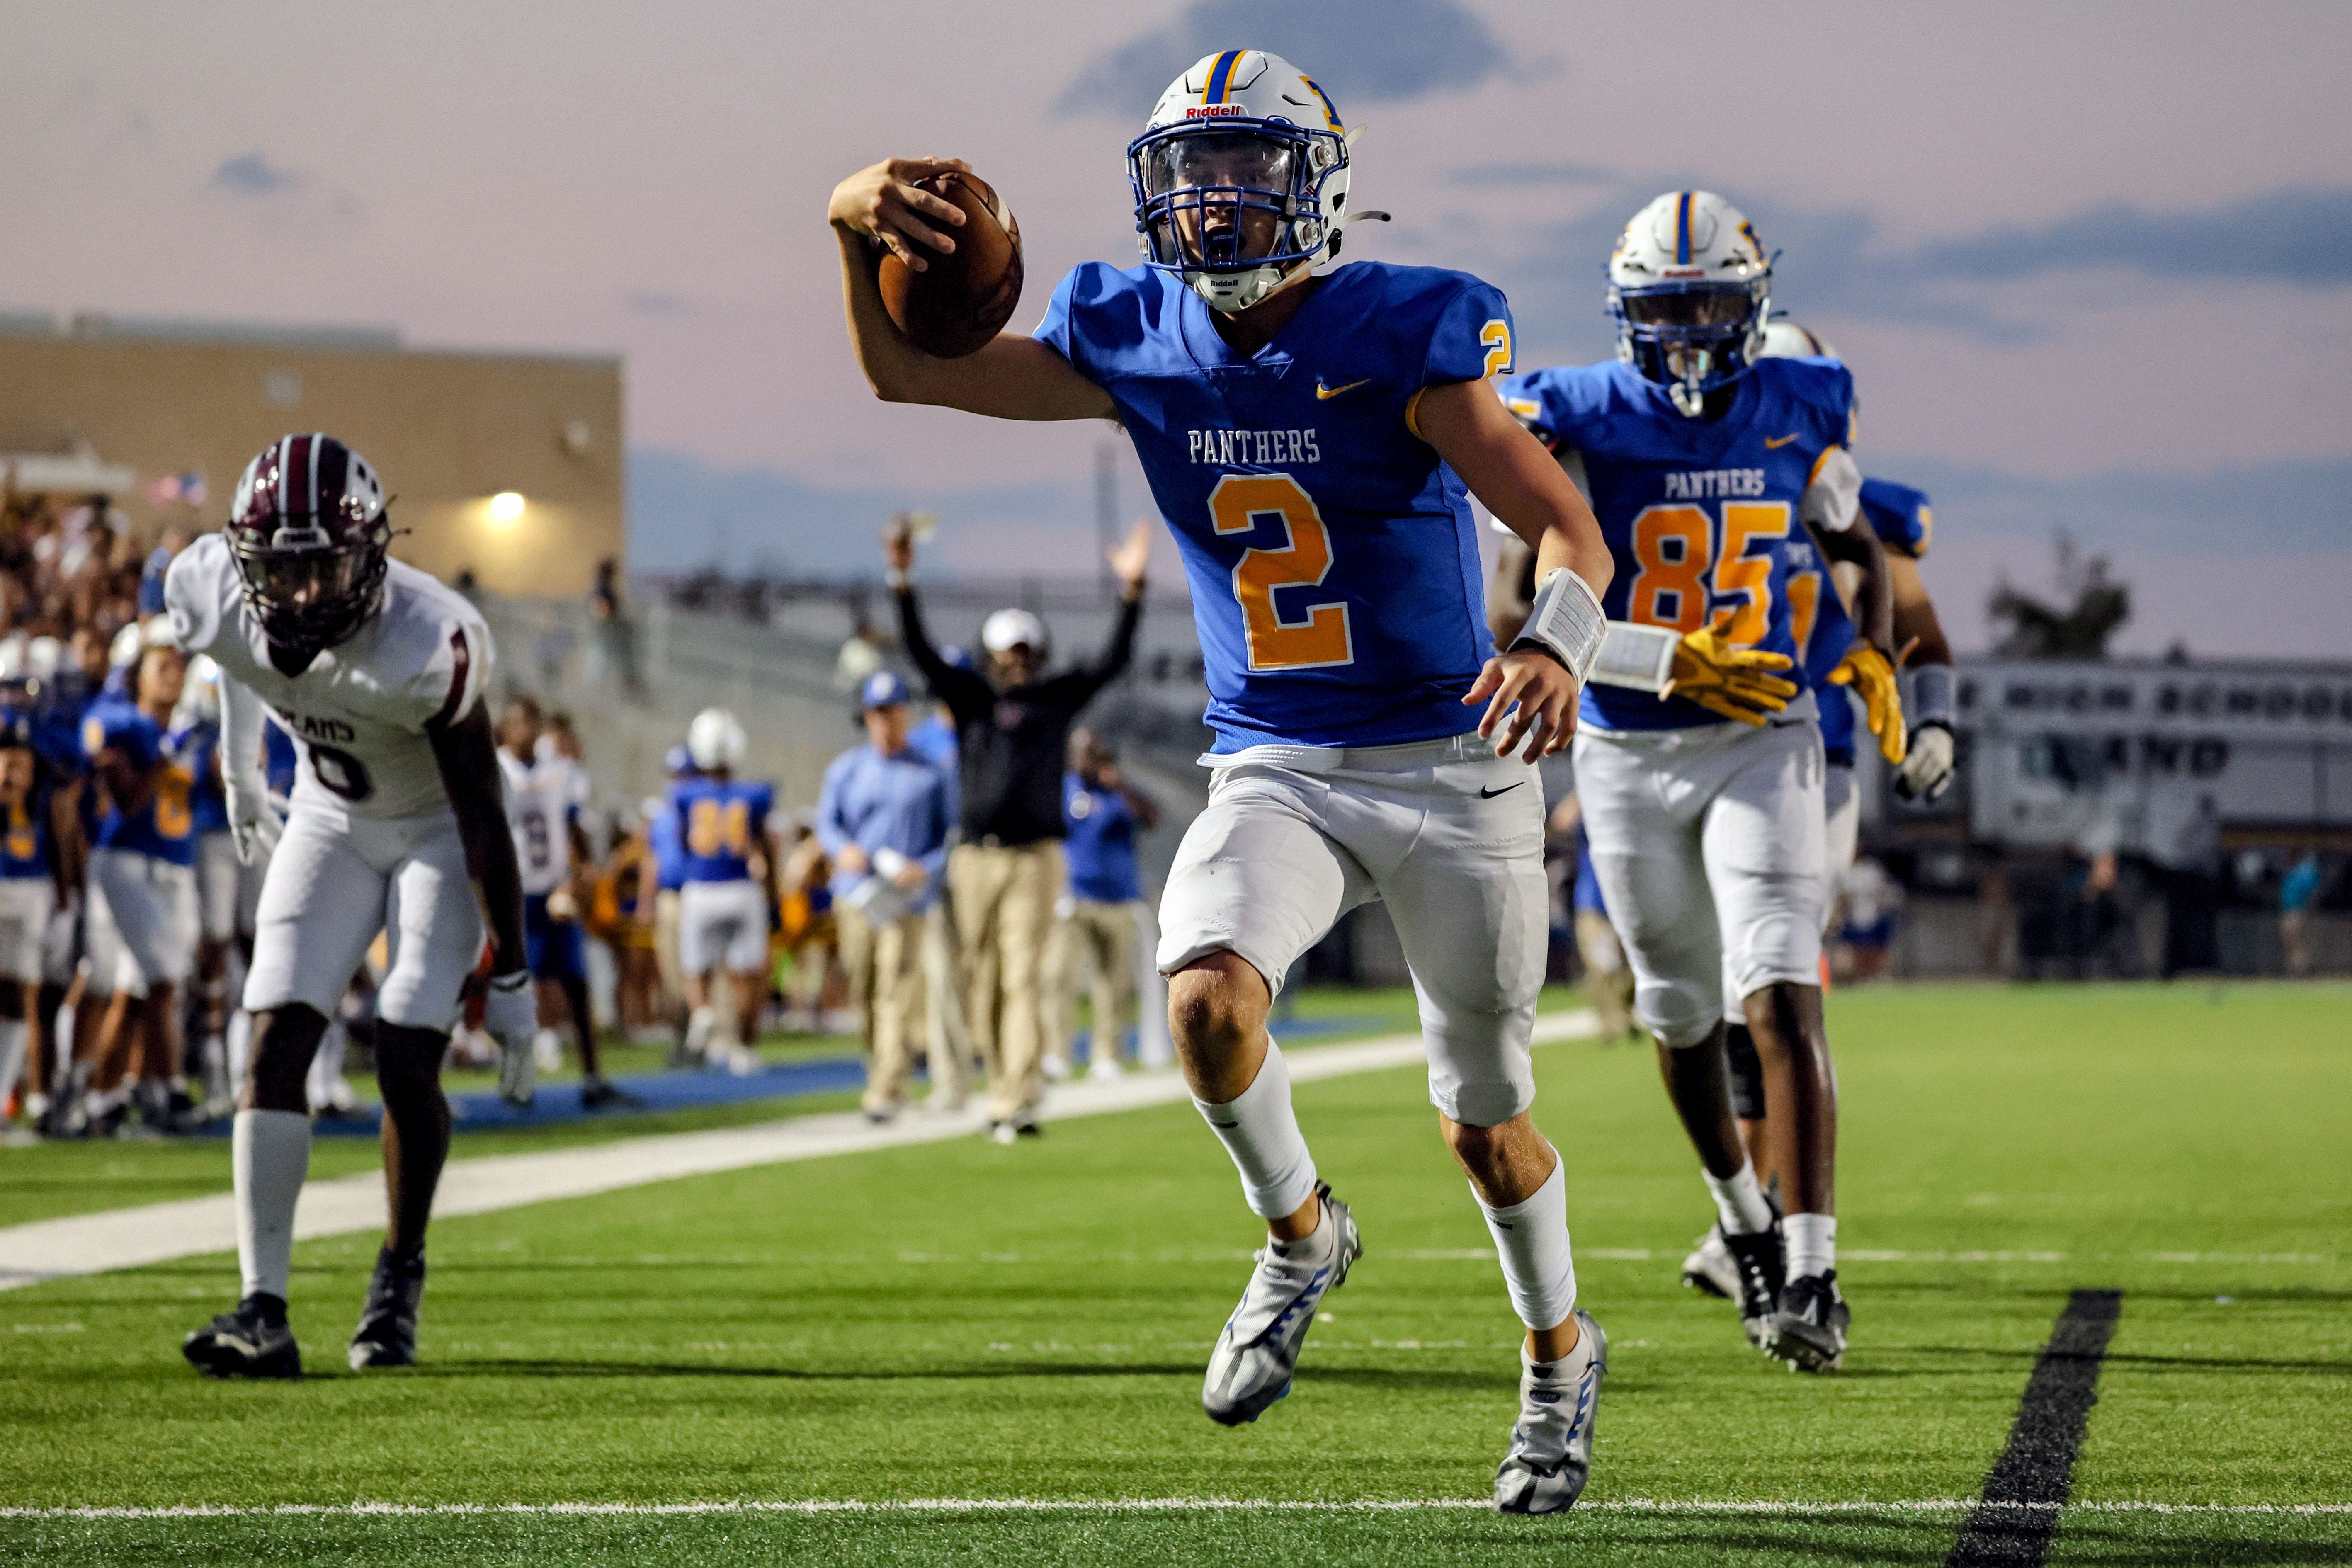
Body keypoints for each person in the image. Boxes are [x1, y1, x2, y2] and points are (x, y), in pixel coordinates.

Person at [831, 48, 1616, 1511]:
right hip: (1277, 753)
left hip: (1455, 760)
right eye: (1189, 174)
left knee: (1485, 1127)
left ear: (1313, 184)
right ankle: (1301, 1230)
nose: (1212, 202)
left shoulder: (1404, 328)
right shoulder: (1135, 331)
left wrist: (1558, 647)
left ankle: (1559, 1353)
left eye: (1246, 169)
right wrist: (841, 221)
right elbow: (903, 369)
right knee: (1200, 1002)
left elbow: (1565, 523)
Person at [1500, 191, 1901, 1375]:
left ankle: (1818, 1265)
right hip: (1626, 746)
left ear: (1754, 305)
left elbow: (1855, 548)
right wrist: (1656, 652)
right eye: (1666, 312)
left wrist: (1869, 645)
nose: (1687, 335)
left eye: (1712, 307)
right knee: (1677, 1008)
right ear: (1627, 315)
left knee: (1778, 985)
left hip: (1765, 735)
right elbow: (1512, 608)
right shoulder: (1575, 413)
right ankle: (1742, 1218)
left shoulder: (1797, 403)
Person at [167, 433, 535, 1379]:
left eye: (321, 568)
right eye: (278, 572)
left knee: (408, 1053)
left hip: (438, 835)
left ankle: (397, 1273)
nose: (297, 597)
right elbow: (238, 658)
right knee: (275, 1034)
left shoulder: (428, 640)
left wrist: (517, 967)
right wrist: (240, 769)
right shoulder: (208, 588)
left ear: (371, 552)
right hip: (330, 817)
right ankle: (264, 1307)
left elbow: (484, 812)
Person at [885, 526, 1145, 1143]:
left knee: (1022, 976)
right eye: (1010, 650)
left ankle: (1017, 1099)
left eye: (1028, 650)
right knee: (983, 979)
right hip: (974, 858)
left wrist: (1132, 592)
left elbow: (1111, 662)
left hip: (1034, 858)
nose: (1020, 659)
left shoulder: (1054, 700)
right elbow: (918, 649)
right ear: (992, 653)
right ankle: (1001, 1084)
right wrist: (901, 578)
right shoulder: (971, 698)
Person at [78, 618, 201, 1135]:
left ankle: (101, 1095)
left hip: (177, 861)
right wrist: (163, 755)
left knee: (139, 989)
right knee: (160, 980)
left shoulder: (197, 722)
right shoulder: (123, 721)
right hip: (129, 859)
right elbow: (125, 795)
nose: (174, 674)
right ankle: (165, 1089)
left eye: (179, 664)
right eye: (162, 665)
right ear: (137, 674)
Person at [818, 671, 954, 1120]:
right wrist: (845, 850)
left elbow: (948, 836)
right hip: (859, 895)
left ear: (904, 714)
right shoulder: (848, 769)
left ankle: (887, 1087)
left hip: (904, 899)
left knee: (896, 987)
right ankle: (880, 1061)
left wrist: (927, 869)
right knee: (864, 987)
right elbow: (828, 825)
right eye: (876, 714)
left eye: (891, 712)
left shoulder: (929, 772)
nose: (884, 722)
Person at [498, 694, 629, 1108]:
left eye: (532, 723)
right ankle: (517, 1078)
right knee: (518, 989)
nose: (527, 731)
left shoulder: (561, 771)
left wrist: (583, 872)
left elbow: (575, 825)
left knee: (577, 983)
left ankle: (593, 1078)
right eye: (519, 722)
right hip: (517, 893)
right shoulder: (497, 767)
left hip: (556, 891)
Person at [667, 707, 777, 1075]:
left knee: (694, 968)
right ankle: (744, 1049)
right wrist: (773, 892)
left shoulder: (684, 794)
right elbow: (765, 845)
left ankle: (702, 1013)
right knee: (745, 975)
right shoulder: (755, 794)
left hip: (700, 887)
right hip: (742, 888)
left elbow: (684, 841)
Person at [1056, 728, 1158, 1079]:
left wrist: (1120, 787)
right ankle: (1057, 1052)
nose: (1086, 761)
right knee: (1057, 977)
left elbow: (1151, 818)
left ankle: (1107, 1054)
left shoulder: (1118, 793)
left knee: (1112, 983)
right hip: (1074, 897)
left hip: (1117, 899)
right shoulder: (1065, 788)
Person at [0, 719, 55, 1122]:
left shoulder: (41, 804)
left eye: (22, 764)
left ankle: (4, 1092)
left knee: (21, 994)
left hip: (32, 889)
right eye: (7, 763)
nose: (13, 773)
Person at [2280, 850, 2323, 978]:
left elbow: (2314, 894)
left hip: (2295, 912)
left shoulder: (2305, 873)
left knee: (2294, 943)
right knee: (2294, 943)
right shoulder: (2298, 873)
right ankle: (2298, 971)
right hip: (2294, 911)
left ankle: (2300, 971)